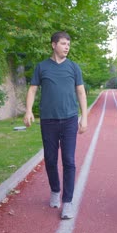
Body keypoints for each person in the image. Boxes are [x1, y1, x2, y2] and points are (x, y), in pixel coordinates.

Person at [23, 31, 88, 220]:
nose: (67, 47)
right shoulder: (42, 67)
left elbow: (81, 93)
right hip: (48, 121)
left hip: (69, 120)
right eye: (63, 43)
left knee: (69, 160)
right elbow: (33, 89)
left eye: (68, 44)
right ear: (53, 45)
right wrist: (28, 111)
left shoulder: (74, 67)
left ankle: (67, 202)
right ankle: (55, 190)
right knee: (50, 160)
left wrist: (84, 117)